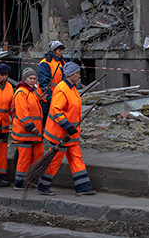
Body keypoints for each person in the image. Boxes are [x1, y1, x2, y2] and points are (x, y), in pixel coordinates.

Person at [37, 61, 96, 196]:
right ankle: (43, 185)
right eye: (77, 73)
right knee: (55, 161)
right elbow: (56, 110)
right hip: (60, 135)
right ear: (70, 75)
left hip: (71, 134)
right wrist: (67, 126)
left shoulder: (72, 88)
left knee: (77, 158)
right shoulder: (62, 89)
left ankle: (83, 187)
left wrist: (70, 128)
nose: (79, 76)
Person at [11, 67, 43, 190]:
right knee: (24, 158)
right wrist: (31, 127)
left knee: (38, 154)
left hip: (33, 133)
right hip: (25, 132)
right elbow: (22, 113)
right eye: (30, 78)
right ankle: (19, 183)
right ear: (25, 79)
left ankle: (30, 180)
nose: (33, 81)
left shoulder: (31, 92)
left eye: (34, 79)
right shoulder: (21, 93)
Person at [37, 40, 67, 128]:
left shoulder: (63, 62)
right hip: (47, 98)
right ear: (53, 51)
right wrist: (50, 97)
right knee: (46, 119)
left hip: (58, 96)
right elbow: (44, 82)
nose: (61, 52)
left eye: (62, 50)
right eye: (59, 50)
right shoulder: (45, 63)